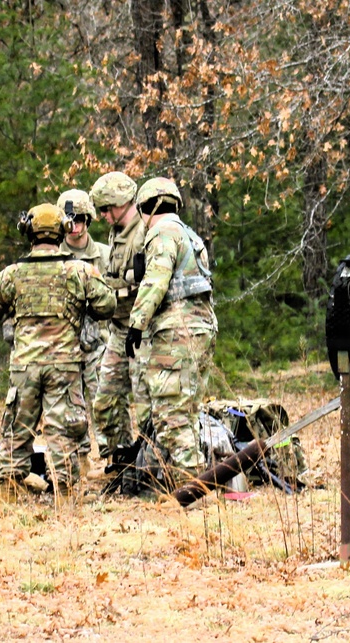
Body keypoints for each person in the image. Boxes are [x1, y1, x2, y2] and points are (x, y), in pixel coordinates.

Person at [0, 203, 116, 494]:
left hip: (25, 365)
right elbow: (108, 305)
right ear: (63, 232)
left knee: (17, 428)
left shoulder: (12, 274)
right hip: (64, 366)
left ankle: (9, 490)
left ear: (28, 232)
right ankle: (66, 495)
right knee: (62, 430)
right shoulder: (80, 271)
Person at [125, 177, 218, 491]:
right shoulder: (191, 236)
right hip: (201, 328)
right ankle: (194, 483)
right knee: (188, 410)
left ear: (146, 208)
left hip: (176, 333)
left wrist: (136, 323)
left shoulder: (162, 233)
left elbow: (156, 281)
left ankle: (188, 491)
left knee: (172, 412)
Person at [88, 171, 150, 469]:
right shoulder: (117, 233)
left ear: (120, 202)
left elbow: (152, 281)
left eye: (105, 209)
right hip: (118, 328)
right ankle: (120, 459)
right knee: (106, 401)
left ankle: (153, 463)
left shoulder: (145, 231)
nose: (102, 215)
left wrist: (117, 286)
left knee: (147, 402)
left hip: (143, 330)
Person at [56, 189, 112, 473]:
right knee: (70, 408)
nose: (74, 225)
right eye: (68, 219)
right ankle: (79, 460)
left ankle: (112, 459)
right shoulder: (51, 257)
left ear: (88, 219)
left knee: (104, 402)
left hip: (99, 343)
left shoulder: (104, 254)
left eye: (79, 218)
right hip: (64, 345)